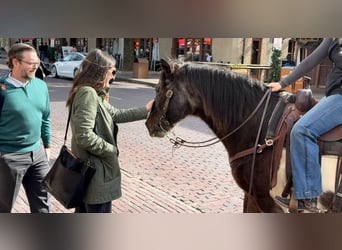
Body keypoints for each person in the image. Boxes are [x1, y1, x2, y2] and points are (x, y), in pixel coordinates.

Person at [66, 48, 154, 213]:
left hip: (92, 173)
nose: (114, 76)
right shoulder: (88, 94)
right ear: (100, 71)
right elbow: (84, 136)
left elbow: (116, 115)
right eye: (112, 71)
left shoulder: (94, 93)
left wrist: (146, 109)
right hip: (95, 174)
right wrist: (111, 150)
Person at [268, 38, 342, 213]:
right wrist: (283, 83)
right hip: (334, 97)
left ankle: (307, 196)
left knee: (302, 130)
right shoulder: (334, 38)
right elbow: (311, 60)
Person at [0, 43, 52, 213]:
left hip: (37, 155)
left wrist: (47, 145)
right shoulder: (2, 90)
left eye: (37, 63)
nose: (36, 67)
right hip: (9, 157)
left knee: (43, 203)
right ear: (15, 62)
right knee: (4, 206)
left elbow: (45, 117)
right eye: (31, 63)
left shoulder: (41, 86)